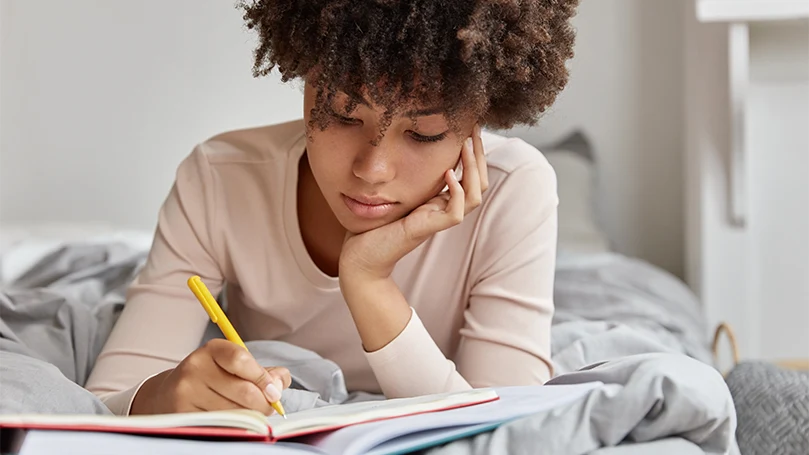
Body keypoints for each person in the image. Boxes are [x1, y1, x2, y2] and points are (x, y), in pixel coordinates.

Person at [85, 0, 579, 416]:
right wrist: (161, 395)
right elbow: (103, 402)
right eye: (342, 115)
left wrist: (367, 280)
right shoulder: (220, 179)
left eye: (423, 133)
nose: (373, 169)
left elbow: (511, 429)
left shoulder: (514, 190)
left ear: (479, 120)